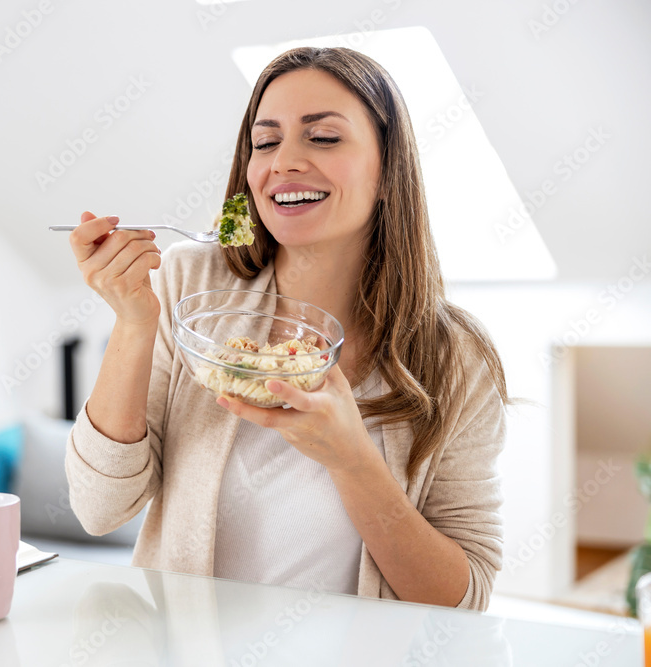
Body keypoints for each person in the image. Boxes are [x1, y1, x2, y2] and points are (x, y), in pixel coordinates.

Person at [63, 46, 508, 611]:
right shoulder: (190, 282)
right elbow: (100, 509)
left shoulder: (456, 356)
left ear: (389, 167)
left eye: (322, 138)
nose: (283, 163)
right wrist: (133, 323)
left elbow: (464, 600)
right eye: (266, 142)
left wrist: (351, 460)